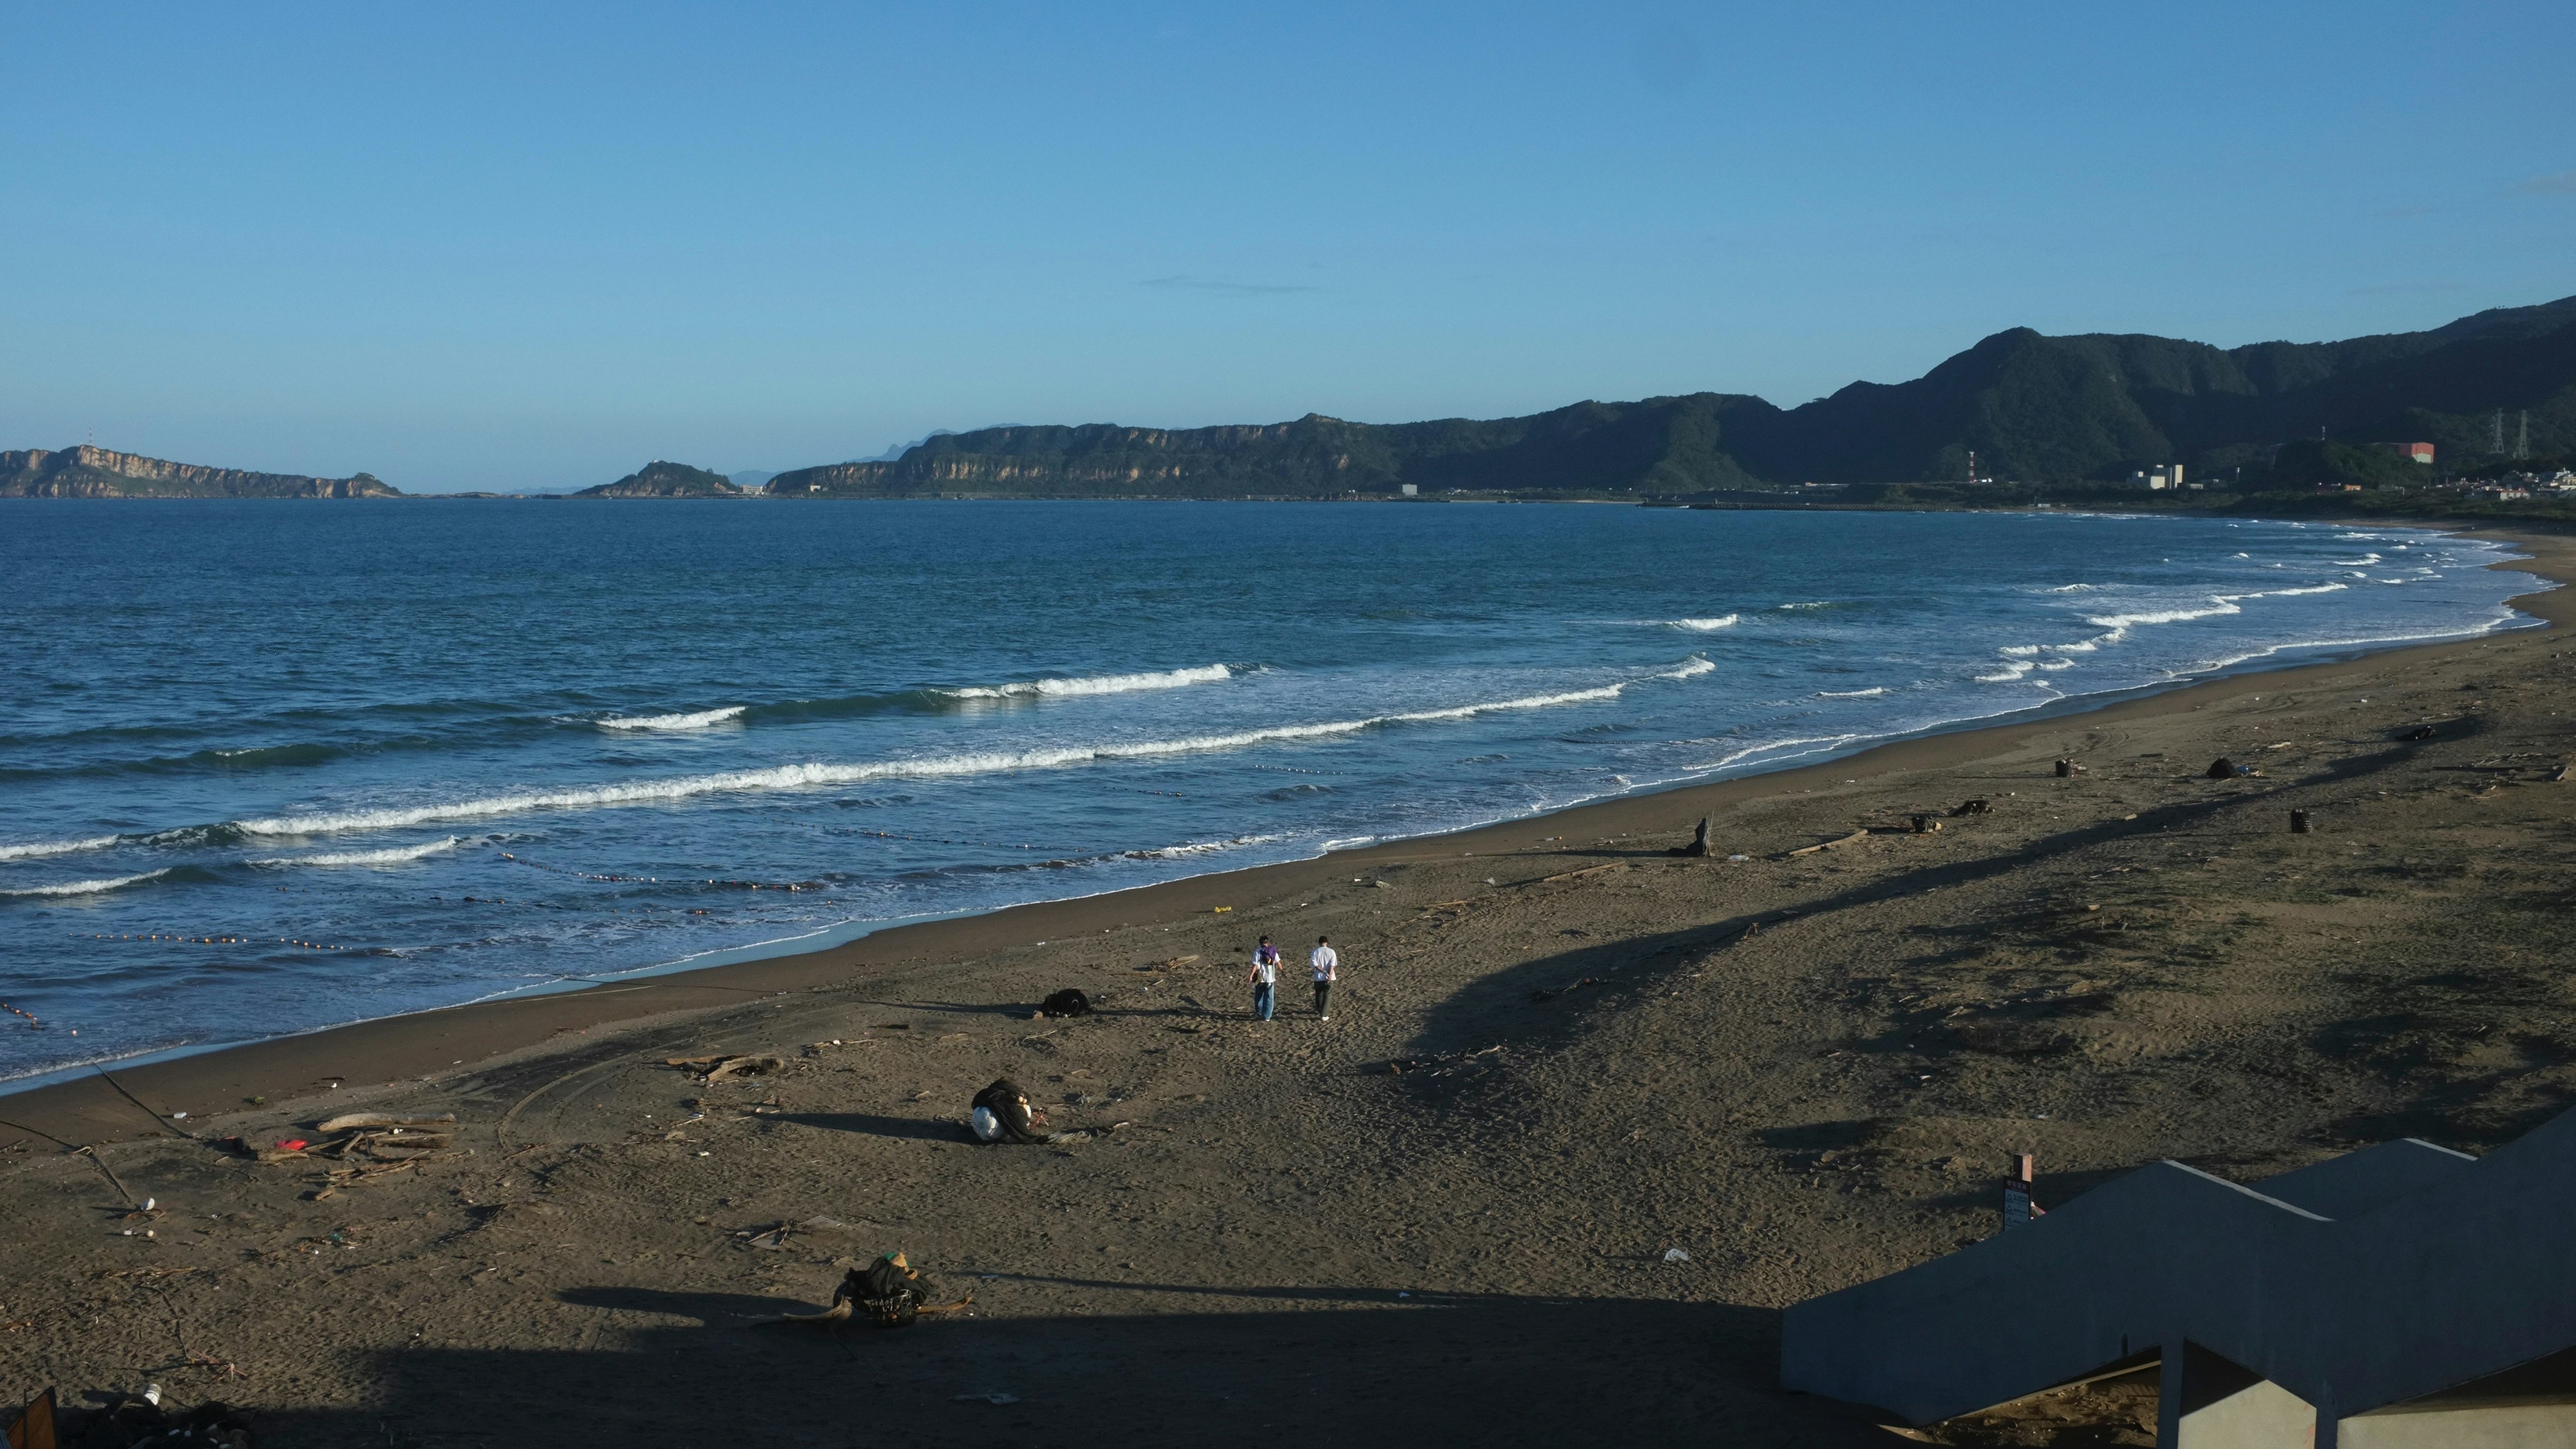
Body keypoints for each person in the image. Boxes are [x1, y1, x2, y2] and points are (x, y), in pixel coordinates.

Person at [1248, 935, 1281, 1021]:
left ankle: (1259, 1013)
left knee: (1258, 997)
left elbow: (1255, 966)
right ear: (1268, 943)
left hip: (1260, 979)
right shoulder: (1273, 952)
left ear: (1260, 943)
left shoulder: (1257, 952)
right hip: (1270, 978)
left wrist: (1251, 976)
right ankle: (1267, 1017)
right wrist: (1282, 970)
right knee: (1269, 998)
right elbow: (1279, 964)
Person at [1310, 934, 1339, 1019]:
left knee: (1319, 994)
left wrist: (1323, 971)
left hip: (1319, 977)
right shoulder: (1332, 952)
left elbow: (1315, 965)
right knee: (1328, 995)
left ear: (1319, 943)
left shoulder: (1315, 952)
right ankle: (1324, 1014)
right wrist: (1329, 975)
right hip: (1330, 977)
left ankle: (1320, 1010)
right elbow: (1332, 965)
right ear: (1327, 943)